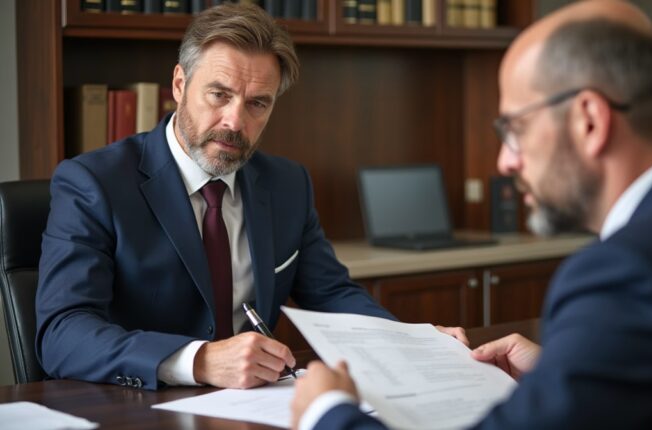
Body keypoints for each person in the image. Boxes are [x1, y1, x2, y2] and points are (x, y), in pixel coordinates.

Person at [291, 0, 652, 428]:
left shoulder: (627, 273)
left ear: (589, 120)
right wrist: (563, 373)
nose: (506, 161)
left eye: (515, 129)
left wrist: (326, 413)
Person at [36, 3, 465, 391]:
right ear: (180, 84)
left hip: (251, 407)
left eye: (258, 103)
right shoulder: (94, 183)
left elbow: (333, 294)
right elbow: (62, 332)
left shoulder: (287, 184)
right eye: (219, 95)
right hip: (136, 406)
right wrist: (199, 361)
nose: (235, 121)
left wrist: (410, 342)